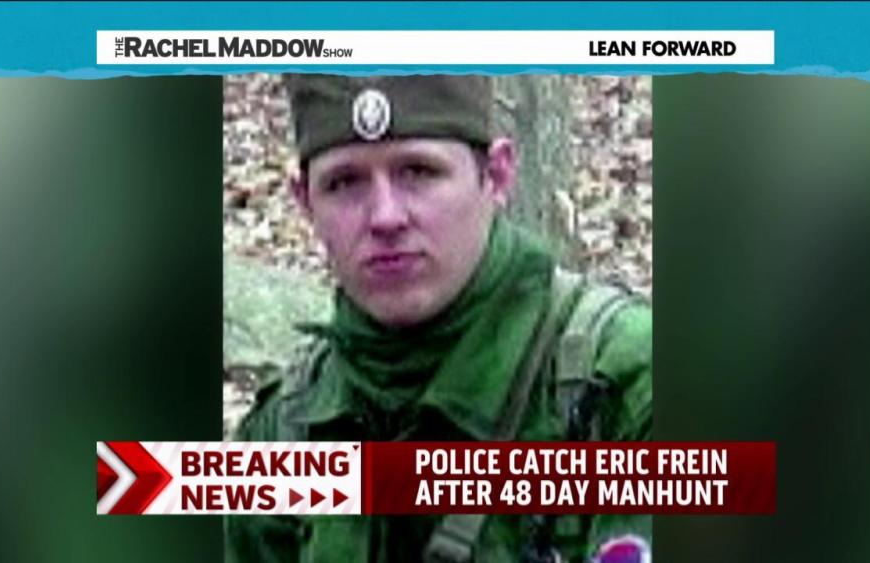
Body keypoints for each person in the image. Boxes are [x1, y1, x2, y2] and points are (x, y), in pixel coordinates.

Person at [226, 74, 652, 563]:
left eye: (418, 172)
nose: (385, 217)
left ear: (496, 175)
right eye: (345, 183)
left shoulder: (623, 383)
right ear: (305, 202)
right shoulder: (287, 425)